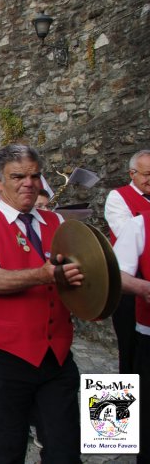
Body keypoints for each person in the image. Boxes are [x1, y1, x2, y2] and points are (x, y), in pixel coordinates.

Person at [0, 144, 84, 463]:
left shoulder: (56, 223)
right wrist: (43, 275)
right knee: (6, 451)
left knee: (66, 451)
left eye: (35, 175)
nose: (29, 182)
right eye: (18, 176)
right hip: (4, 358)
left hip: (57, 356)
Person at [105, 149, 150, 374]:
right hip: (129, 283)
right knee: (128, 349)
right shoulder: (118, 196)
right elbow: (126, 234)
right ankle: (118, 409)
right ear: (132, 173)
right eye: (147, 174)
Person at [112, 211, 150, 464]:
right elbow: (116, 273)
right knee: (127, 360)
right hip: (134, 305)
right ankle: (116, 430)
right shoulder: (122, 201)